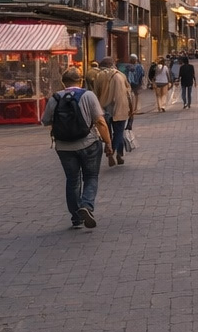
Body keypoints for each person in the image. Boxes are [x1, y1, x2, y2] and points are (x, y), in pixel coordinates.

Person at [41, 68, 114, 229]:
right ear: (80, 81)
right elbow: (100, 122)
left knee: (72, 180)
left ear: (63, 82)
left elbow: (45, 120)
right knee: (91, 176)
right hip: (89, 143)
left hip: (64, 147)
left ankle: (76, 217)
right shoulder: (88, 95)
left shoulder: (55, 98)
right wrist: (108, 143)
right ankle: (86, 206)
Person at [91, 59, 133, 166]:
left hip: (104, 108)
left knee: (107, 133)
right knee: (119, 132)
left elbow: (95, 94)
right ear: (112, 65)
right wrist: (131, 108)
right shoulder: (121, 75)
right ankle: (117, 153)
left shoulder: (99, 76)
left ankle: (110, 154)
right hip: (121, 107)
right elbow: (129, 93)